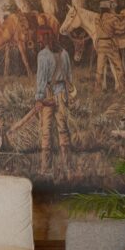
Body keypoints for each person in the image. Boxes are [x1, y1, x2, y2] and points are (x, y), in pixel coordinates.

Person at [33, 25, 72, 173]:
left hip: (47, 97)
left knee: (46, 131)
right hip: (62, 94)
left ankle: (45, 167)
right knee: (63, 129)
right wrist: (66, 96)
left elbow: (41, 80)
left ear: (44, 38)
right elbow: (69, 77)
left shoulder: (42, 55)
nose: (38, 40)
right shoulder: (65, 53)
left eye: (40, 37)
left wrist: (39, 98)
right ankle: (67, 165)